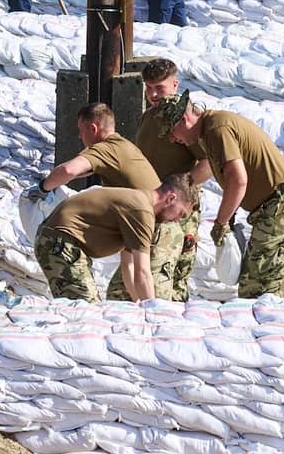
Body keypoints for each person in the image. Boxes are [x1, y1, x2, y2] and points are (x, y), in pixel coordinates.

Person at [158, 96, 284, 298]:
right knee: (266, 279)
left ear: (185, 120)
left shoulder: (216, 129)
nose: (172, 139)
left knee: (257, 285)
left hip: (280, 203)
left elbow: (238, 180)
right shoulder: (211, 129)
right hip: (279, 202)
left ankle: (264, 325)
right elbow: (227, 176)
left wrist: (221, 223)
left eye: (171, 131)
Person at [37, 102, 184, 302]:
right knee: (120, 297)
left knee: (154, 298)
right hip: (158, 225)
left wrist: (42, 188)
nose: (81, 138)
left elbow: (69, 171)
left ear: (93, 128)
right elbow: (128, 260)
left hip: (162, 230)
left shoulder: (106, 149)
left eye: (81, 131)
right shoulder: (124, 149)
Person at [34, 176, 195, 302]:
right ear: (171, 198)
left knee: (86, 310)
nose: (177, 221)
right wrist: (153, 314)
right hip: (60, 242)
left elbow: (129, 267)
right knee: (86, 313)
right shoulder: (142, 211)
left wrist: (139, 303)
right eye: (181, 214)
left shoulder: (139, 206)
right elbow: (143, 273)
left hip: (61, 242)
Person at [133, 61, 203, 298]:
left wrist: (182, 189)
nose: (153, 94)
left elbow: (209, 164)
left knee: (170, 277)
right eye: (148, 88)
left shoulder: (187, 119)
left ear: (175, 85)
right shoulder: (148, 118)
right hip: (151, 207)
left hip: (178, 212)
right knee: (141, 275)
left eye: (159, 88)